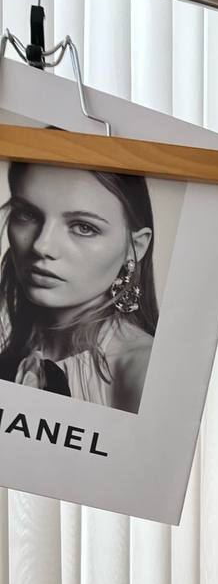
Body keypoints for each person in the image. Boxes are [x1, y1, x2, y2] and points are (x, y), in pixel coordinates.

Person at [0, 162, 159, 413]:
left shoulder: (147, 373)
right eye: (27, 214)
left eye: (84, 227)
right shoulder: (17, 354)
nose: (42, 246)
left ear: (135, 247)